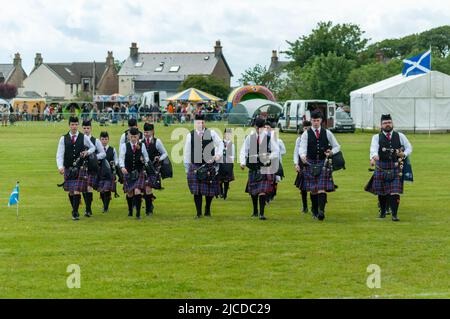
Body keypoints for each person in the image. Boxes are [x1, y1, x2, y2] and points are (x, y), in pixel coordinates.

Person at [365, 114, 413, 222]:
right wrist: (373, 157)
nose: (387, 125)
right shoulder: (376, 137)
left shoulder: (400, 136)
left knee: (394, 191)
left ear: (392, 123)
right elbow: (373, 148)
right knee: (381, 192)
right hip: (381, 166)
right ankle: (382, 212)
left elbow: (409, 147)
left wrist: (403, 154)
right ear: (381, 125)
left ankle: (394, 215)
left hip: (396, 167)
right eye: (385, 123)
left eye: (389, 122)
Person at [299, 111, 340, 221]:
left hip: (323, 162)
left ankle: (321, 211)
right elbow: (302, 148)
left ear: (321, 121)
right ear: (311, 120)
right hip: (310, 163)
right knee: (313, 190)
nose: (315, 122)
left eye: (317, 120)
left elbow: (337, 146)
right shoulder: (306, 134)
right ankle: (315, 210)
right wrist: (302, 155)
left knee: (322, 188)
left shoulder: (327, 133)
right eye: (313, 120)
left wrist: (331, 152)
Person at [183, 114, 223, 218]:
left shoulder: (212, 133)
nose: (200, 124)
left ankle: (207, 209)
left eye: (202, 122)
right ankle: (198, 213)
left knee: (209, 191)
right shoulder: (190, 135)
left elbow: (220, 144)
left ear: (204, 122)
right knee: (197, 191)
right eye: (198, 122)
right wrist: (187, 168)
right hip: (195, 166)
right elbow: (187, 152)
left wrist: (218, 154)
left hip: (208, 165)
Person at [56, 116, 96, 220]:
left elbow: (93, 147)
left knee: (77, 190)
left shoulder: (84, 137)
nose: (74, 126)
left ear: (78, 125)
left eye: (76, 124)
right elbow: (60, 154)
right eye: (72, 125)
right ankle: (74, 208)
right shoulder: (63, 138)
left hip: (80, 168)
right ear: (69, 125)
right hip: (68, 168)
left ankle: (75, 212)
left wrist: (87, 152)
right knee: (71, 191)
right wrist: (60, 167)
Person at [239, 117, 279, 220]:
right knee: (253, 192)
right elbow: (244, 150)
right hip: (253, 167)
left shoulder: (268, 138)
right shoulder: (249, 138)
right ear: (255, 127)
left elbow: (276, 151)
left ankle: (261, 213)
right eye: (258, 127)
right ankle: (255, 211)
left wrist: (269, 156)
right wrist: (242, 162)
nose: (260, 129)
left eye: (262, 127)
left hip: (264, 168)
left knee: (262, 190)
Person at [119, 127, 149, 219]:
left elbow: (147, 158)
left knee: (137, 191)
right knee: (130, 193)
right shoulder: (125, 146)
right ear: (128, 136)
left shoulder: (142, 145)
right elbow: (121, 158)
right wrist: (122, 167)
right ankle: (130, 210)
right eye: (131, 137)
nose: (133, 139)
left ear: (138, 136)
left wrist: (143, 160)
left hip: (139, 172)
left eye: (135, 137)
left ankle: (138, 213)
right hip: (128, 172)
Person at [141, 122, 169, 215]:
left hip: (153, 168)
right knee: (143, 189)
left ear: (152, 131)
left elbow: (165, 153)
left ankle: (148, 210)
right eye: (144, 132)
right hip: (143, 168)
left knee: (148, 188)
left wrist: (159, 158)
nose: (146, 134)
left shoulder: (157, 141)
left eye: (147, 132)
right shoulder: (140, 142)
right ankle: (150, 204)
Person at [81, 119, 106, 217]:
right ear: (82, 128)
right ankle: (88, 208)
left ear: (91, 128)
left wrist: (94, 157)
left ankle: (88, 209)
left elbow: (103, 153)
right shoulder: (80, 139)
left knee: (89, 187)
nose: (86, 130)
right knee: (83, 188)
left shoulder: (96, 141)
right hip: (82, 167)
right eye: (84, 128)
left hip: (92, 167)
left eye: (88, 128)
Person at [97, 131, 119, 213]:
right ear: (100, 140)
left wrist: (114, 163)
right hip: (100, 173)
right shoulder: (97, 150)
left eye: (106, 139)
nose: (104, 141)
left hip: (109, 173)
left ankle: (106, 207)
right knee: (102, 190)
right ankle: (105, 205)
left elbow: (116, 160)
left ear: (108, 139)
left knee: (107, 190)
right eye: (102, 139)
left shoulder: (112, 149)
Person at [294, 120, 312, 213]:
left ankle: (314, 206)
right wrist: (296, 163)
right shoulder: (299, 139)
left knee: (314, 187)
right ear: (303, 128)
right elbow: (296, 152)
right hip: (302, 164)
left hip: (313, 164)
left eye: (308, 128)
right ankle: (305, 207)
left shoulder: (314, 138)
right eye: (305, 128)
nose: (306, 130)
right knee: (303, 188)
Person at [265, 120, 286, 203]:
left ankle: (273, 193)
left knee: (275, 179)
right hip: (266, 161)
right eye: (265, 127)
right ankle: (267, 195)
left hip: (275, 160)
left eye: (268, 127)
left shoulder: (278, 140)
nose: (266, 129)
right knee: (267, 179)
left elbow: (283, 151)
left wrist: (276, 154)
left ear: (271, 129)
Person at [218, 128, 235, 200]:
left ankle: (225, 194)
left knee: (226, 180)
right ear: (224, 134)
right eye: (226, 134)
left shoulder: (232, 144)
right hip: (220, 163)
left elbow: (233, 155)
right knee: (219, 180)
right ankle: (220, 192)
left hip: (228, 163)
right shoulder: (220, 143)